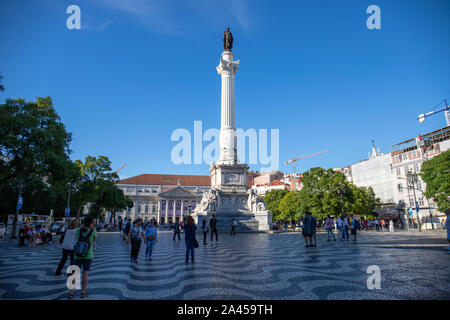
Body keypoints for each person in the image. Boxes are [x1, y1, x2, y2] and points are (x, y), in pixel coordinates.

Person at [68, 216, 97, 299]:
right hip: (88, 255)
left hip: (77, 255)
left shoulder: (77, 231)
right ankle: (83, 292)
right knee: (85, 274)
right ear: (91, 223)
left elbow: (75, 239)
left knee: (74, 274)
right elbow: (94, 240)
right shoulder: (94, 232)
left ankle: (71, 292)